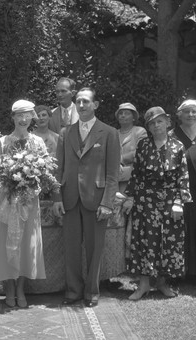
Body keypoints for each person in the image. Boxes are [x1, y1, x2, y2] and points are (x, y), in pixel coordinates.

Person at [52, 87, 120, 308]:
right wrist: (57, 197)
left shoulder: (109, 133)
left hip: (96, 199)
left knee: (94, 248)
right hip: (70, 198)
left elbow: (112, 173)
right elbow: (58, 169)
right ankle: (73, 291)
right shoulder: (65, 133)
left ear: (95, 104)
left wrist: (107, 202)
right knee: (71, 248)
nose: (81, 106)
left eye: (86, 102)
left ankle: (91, 291)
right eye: (79, 102)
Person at [122, 106, 191, 300]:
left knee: (167, 243)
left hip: (170, 201)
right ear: (148, 127)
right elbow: (136, 174)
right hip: (146, 200)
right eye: (152, 123)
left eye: (159, 121)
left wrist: (179, 202)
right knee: (145, 241)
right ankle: (143, 285)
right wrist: (130, 197)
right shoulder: (143, 145)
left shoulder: (178, 146)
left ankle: (162, 283)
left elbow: (183, 177)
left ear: (168, 122)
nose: (156, 125)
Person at [0, 100, 48, 308]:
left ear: (32, 117)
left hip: (29, 201)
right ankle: (9, 288)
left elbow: (44, 173)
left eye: (27, 115)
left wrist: (31, 180)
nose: (23, 119)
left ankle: (21, 288)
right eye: (19, 115)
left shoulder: (38, 142)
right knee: (7, 245)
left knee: (26, 245)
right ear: (12, 117)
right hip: (7, 201)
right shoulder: (2, 142)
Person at [169, 99, 196, 282]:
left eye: (194, 111)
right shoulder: (172, 135)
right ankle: (177, 271)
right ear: (179, 115)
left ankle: (194, 272)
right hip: (178, 191)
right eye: (186, 111)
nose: (191, 115)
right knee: (180, 230)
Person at [116, 103, 147, 192]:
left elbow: (140, 152)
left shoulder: (140, 131)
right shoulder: (113, 133)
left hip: (134, 178)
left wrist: (120, 159)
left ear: (133, 117)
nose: (123, 115)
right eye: (120, 113)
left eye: (127, 113)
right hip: (115, 178)